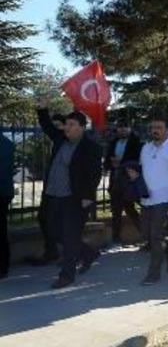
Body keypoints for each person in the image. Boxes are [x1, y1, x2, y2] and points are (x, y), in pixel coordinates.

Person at [40, 111, 103, 289]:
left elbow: (94, 175)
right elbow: (47, 127)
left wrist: (88, 197)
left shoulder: (91, 148)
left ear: (82, 128)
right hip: (53, 195)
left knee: (69, 236)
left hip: (75, 198)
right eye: (66, 125)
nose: (67, 128)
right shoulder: (60, 140)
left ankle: (67, 275)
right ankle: (88, 252)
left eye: (72, 125)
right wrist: (43, 110)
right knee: (53, 231)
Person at [139, 117, 168, 286]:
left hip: (164, 199)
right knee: (146, 233)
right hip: (146, 199)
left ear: (167, 130)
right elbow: (143, 171)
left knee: (155, 235)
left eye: (159, 127)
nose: (155, 130)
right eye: (152, 127)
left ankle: (153, 273)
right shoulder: (145, 148)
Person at [29, 108, 65, 266]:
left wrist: (42, 111)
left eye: (59, 125)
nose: (55, 128)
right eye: (54, 125)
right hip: (50, 186)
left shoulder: (63, 139)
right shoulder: (58, 141)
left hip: (61, 188)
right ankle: (52, 251)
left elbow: (47, 127)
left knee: (53, 220)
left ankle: (73, 251)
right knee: (44, 218)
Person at [104, 120, 143, 245]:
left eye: (125, 127)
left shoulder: (136, 142)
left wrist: (122, 163)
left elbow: (137, 159)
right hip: (115, 179)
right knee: (116, 210)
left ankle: (145, 233)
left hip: (129, 180)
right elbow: (107, 160)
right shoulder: (114, 142)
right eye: (120, 127)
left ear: (130, 128)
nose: (122, 130)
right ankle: (116, 238)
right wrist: (111, 164)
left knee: (130, 207)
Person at [0, 134, 13, 279]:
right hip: (5, 191)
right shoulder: (7, 142)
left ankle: (2, 266)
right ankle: (3, 266)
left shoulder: (4, 144)